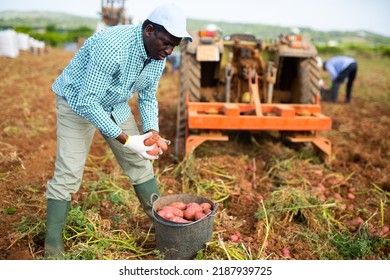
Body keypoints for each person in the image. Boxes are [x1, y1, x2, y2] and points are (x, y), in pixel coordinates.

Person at [44, 3, 192, 258]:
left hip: (114, 101)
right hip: (76, 102)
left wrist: (151, 132)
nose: (169, 50)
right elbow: (87, 101)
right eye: (167, 42)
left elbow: (147, 95)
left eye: (174, 46)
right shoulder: (113, 46)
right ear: (149, 30)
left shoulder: (157, 55)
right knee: (68, 173)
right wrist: (126, 139)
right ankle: (52, 244)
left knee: (140, 163)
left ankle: (162, 226)